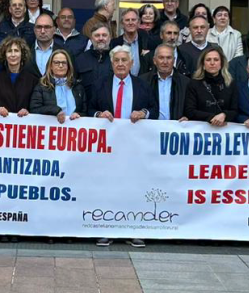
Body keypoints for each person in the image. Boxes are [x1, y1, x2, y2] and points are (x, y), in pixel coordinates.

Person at [89, 45, 155, 249]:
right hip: (107, 148)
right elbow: (90, 108)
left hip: (134, 148)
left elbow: (154, 108)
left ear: (131, 63)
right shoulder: (100, 84)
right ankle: (105, 229)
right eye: (116, 60)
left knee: (133, 187)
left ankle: (134, 230)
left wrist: (144, 112)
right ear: (111, 63)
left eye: (124, 60)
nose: (120, 64)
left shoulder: (142, 84)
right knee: (108, 188)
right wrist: (98, 115)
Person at [184, 45, 236, 126]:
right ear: (203, 64)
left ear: (221, 63)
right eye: (208, 60)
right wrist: (211, 117)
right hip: (201, 132)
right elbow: (189, 111)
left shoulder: (230, 83)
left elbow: (235, 110)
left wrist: (224, 115)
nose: (212, 63)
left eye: (216, 60)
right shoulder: (193, 83)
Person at [30, 50, 85, 123]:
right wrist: (56, 111)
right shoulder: (41, 86)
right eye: (56, 63)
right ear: (51, 66)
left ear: (68, 66)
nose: (61, 66)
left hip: (74, 131)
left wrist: (78, 115)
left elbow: (85, 112)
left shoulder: (78, 87)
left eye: (64, 63)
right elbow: (34, 109)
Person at [0, 37, 41, 120]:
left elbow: (36, 106)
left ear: (22, 54)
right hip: (2, 124)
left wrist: (28, 111)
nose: (13, 55)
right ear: (4, 55)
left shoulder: (33, 80)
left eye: (16, 51)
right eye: (9, 51)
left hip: (25, 126)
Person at [141, 44, 189, 121]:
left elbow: (190, 108)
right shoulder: (143, 81)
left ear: (174, 60)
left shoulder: (186, 82)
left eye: (169, 58)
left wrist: (188, 117)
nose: (165, 62)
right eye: (161, 58)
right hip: (150, 130)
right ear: (154, 60)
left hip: (176, 129)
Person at [110, 8, 145, 76]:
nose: (130, 23)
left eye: (133, 20)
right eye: (127, 20)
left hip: (142, 83)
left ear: (138, 23)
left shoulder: (146, 42)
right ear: (122, 24)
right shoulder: (114, 44)